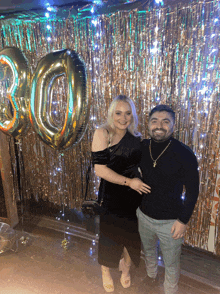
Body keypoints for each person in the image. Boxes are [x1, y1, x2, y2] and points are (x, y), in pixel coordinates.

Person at [137, 104, 199, 294]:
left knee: (171, 262)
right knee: (148, 252)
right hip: (143, 215)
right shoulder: (141, 147)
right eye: (154, 121)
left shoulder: (184, 153)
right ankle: (151, 276)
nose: (159, 125)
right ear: (148, 124)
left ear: (173, 125)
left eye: (165, 122)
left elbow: (193, 190)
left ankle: (170, 290)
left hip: (171, 221)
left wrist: (183, 220)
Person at [91, 95, 151, 292]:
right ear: (111, 114)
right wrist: (129, 182)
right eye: (118, 113)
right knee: (109, 236)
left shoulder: (136, 137)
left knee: (130, 237)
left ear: (132, 116)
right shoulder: (103, 133)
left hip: (134, 197)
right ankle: (105, 271)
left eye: (127, 113)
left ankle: (125, 270)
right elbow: (100, 170)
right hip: (111, 195)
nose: (123, 118)